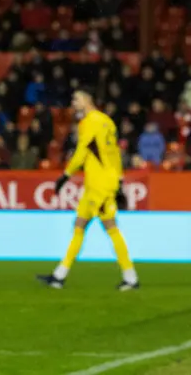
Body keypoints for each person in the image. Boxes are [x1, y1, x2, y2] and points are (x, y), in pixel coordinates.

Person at [37, 88, 139, 291]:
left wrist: (66, 175)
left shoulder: (89, 122)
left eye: (76, 99)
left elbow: (82, 151)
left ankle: (131, 277)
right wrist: (118, 180)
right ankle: (59, 276)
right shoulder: (107, 121)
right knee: (79, 225)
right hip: (99, 184)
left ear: (87, 100)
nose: (73, 103)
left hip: (99, 186)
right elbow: (114, 153)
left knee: (111, 227)